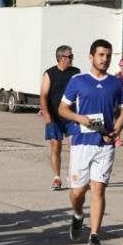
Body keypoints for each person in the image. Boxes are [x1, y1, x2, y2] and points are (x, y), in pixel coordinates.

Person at [58, 39, 123, 245]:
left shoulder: (116, 84)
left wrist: (116, 130)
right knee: (78, 192)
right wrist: (82, 119)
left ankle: (95, 235)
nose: (105, 59)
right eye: (100, 55)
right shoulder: (78, 81)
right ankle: (78, 214)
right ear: (91, 57)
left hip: (104, 145)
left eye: (108, 55)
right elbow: (62, 109)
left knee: (98, 189)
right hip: (81, 144)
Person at [40, 45, 80, 190]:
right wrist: (46, 113)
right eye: (70, 56)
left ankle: (74, 175)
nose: (72, 58)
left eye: (72, 56)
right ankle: (57, 178)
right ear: (61, 58)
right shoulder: (49, 74)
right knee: (56, 146)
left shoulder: (76, 73)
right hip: (54, 117)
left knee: (75, 145)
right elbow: (43, 95)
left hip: (71, 116)